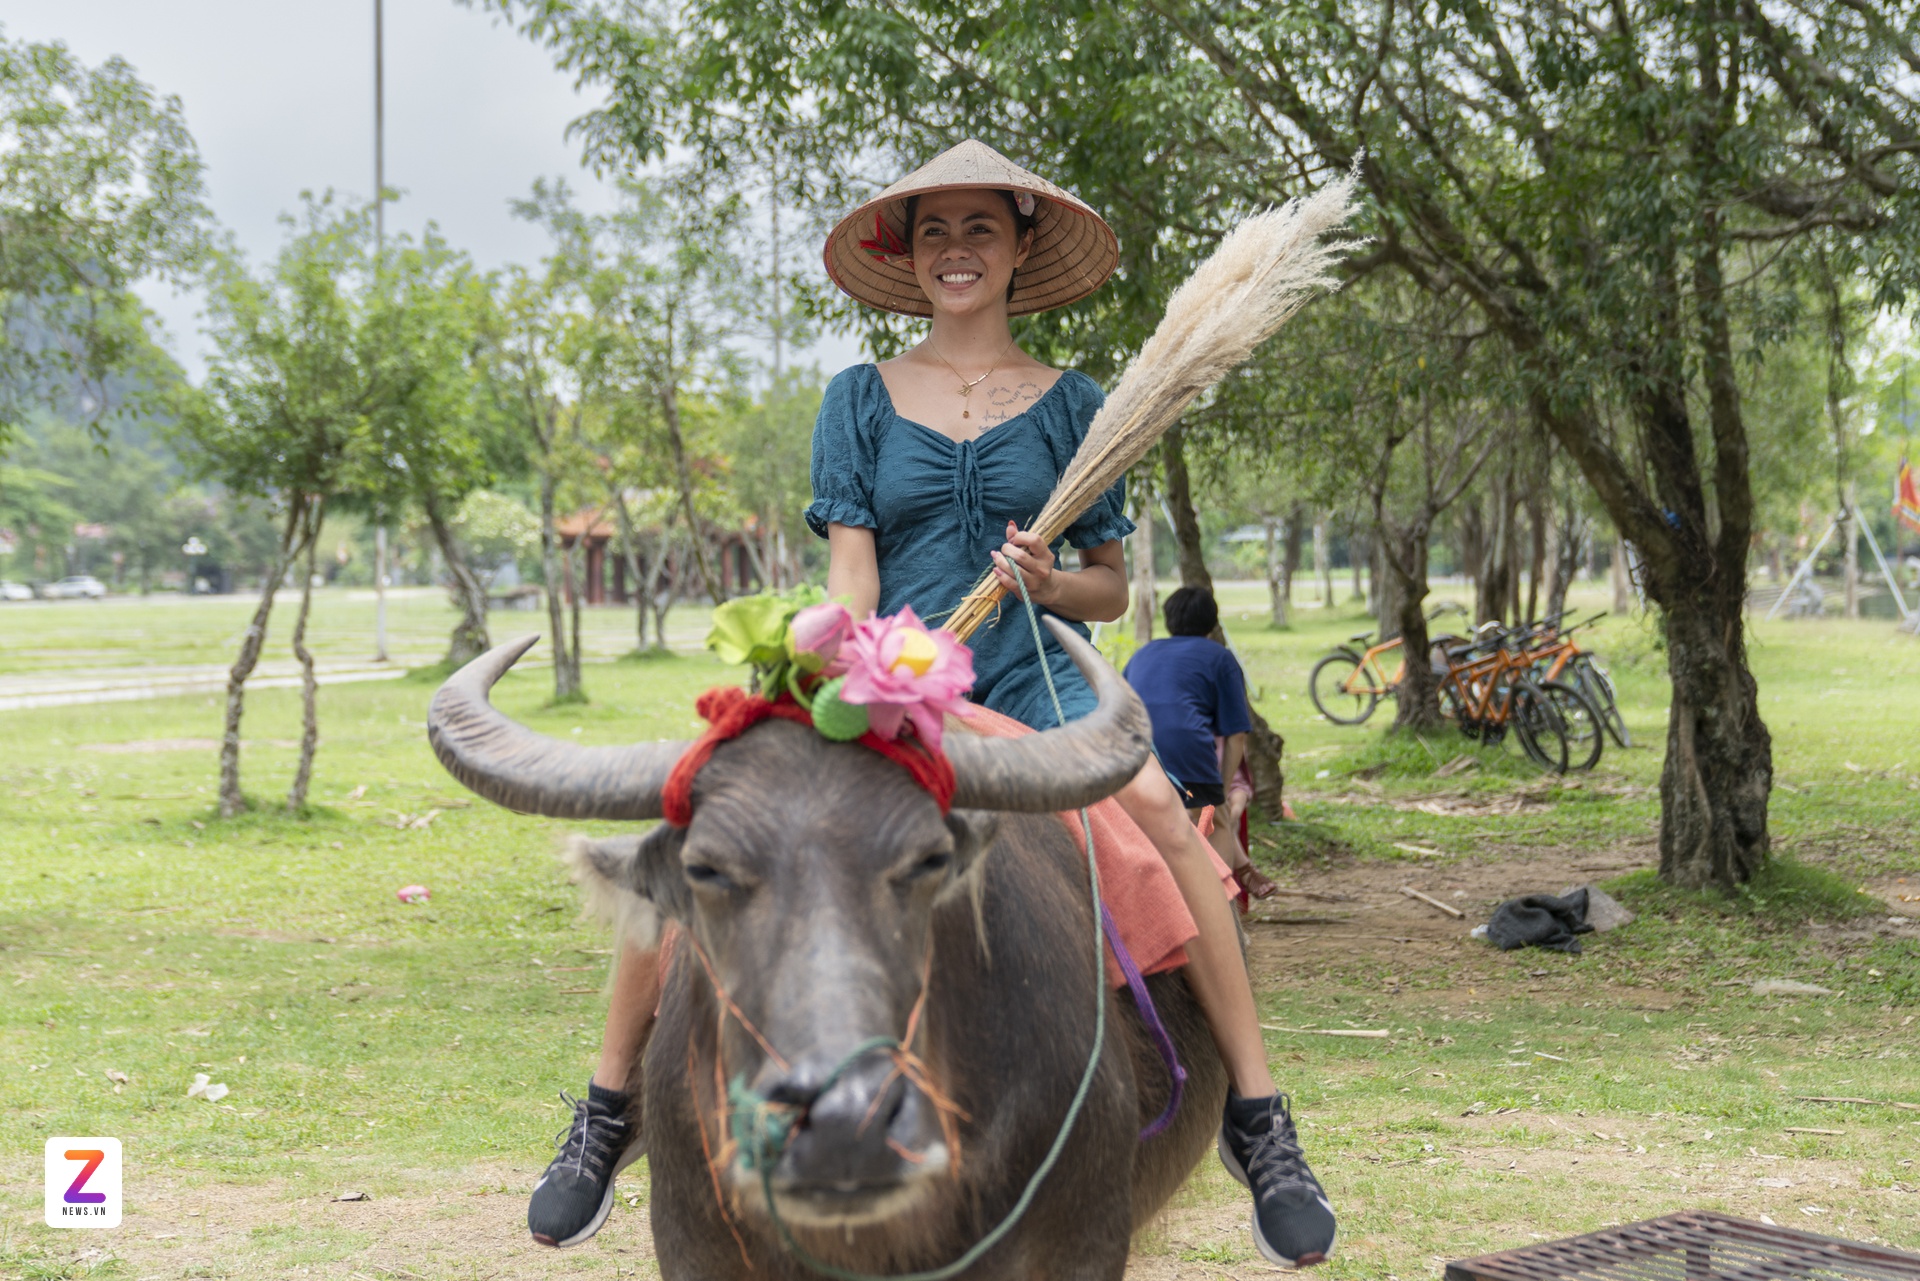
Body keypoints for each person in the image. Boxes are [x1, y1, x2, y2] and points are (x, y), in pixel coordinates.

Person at [528, 140, 1335, 1269]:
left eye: (981, 229)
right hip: (887, 682)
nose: (958, 252)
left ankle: (1260, 1116)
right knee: (702, 816)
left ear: (1019, 249)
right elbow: (853, 573)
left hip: (1033, 686)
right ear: (908, 257)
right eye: (935, 232)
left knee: (1158, 812)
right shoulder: (857, 398)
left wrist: (1057, 584)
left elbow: (1109, 584)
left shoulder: (1079, 406)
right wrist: (831, 654)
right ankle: (610, 1104)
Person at [1126, 586, 1279, 901]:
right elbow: (1236, 736)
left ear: (1168, 620)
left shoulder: (1143, 653)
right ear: (1212, 623)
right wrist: (1220, 790)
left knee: (1158, 827)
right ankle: (1220, 910)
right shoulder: (1220, 657)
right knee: (1216, 818)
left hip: (1134, 757)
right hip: (1187, 753)